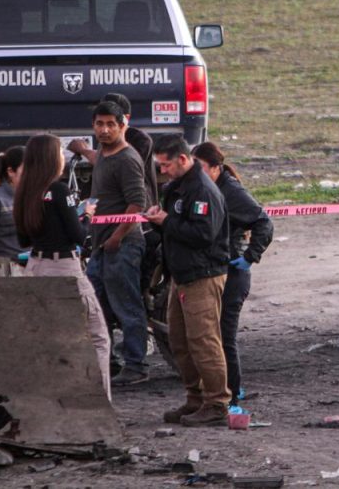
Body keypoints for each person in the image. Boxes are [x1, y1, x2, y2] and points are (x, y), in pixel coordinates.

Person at [14, 134, 111, 400]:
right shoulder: (59, 190)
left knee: (47, 339)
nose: (63, 158)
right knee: (98, 337)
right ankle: (101, 404)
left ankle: (48, 400)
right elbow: (78, 236)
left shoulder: (24, 192)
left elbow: (23, 238)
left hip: (35, 267)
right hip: (65, 268)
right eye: (59, 153)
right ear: (51, 159)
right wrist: (86, 217)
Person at [144, 134, 230, 427]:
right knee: (179, 341)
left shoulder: (202, 190)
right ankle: (195, 399)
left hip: (202, 275)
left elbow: (203, 235)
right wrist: (160, 222)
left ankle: (217, 403)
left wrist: (166, 222)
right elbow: (176, 229)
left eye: (165, 164)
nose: (162, 170)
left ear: (182, 159)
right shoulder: (177, 187)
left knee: (204, 341)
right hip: (180, 275)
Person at [191, 141, 273, 403]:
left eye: (201, 168)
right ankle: (219, 392)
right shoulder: (209, 188)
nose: (197, 173)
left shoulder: (231, 191)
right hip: (217, 268)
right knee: (213, 335)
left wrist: (250, 256)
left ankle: (233, 394)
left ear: (216, 168)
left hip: (233, 272)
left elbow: (263, 222)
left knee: (225, 336)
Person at [84, 101, 149, 386]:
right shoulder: (104, 155)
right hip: (101, 245)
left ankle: (136, 365)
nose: (105, 129)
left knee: (127, 306)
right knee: (96, 305)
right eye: (100, 123)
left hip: (122, 245)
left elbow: (137, 203)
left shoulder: (127, 158)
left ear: (123, 125)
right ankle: (107, 361)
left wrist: (116, 236)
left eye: (111, 124)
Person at [67, 93, 157, 207]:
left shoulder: (141, 140)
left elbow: (114, 164)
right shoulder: (105, 140)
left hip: (138, 212)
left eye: (111, 121)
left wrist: (84, 150)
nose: (105, 129)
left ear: (125, 118)